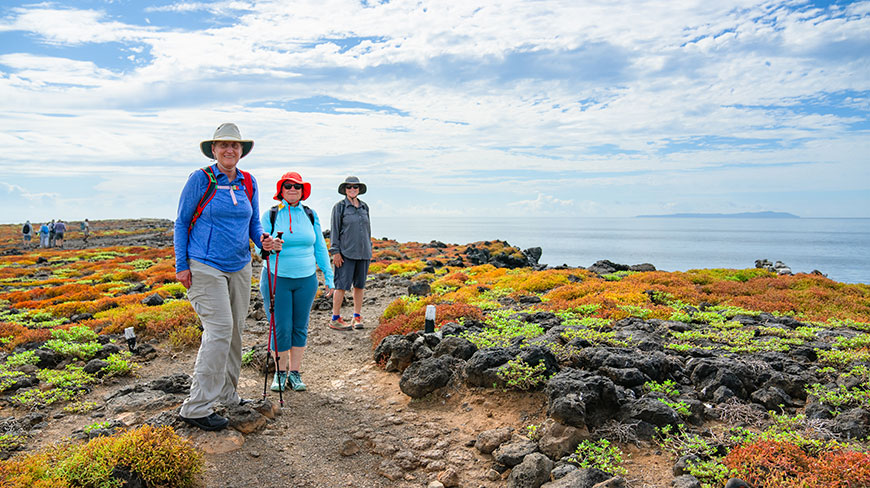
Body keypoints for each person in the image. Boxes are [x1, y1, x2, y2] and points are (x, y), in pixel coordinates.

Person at [174, 123, 280, 432]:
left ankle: (228, 395)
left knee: (235, 332)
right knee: (219, 329)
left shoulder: (248, 182)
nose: (229, 150)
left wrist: (265, 241)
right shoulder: (200, 179)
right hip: (204, 264)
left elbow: (253, 226)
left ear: (242, 151)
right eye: (223, 145)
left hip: (240, 265)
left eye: (234, 146)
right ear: (214, 150)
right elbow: (181, 223)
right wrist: (182, 265)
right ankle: (196, 407)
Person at [258, 172, 333, 392]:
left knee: (300, 327)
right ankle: (280, 373)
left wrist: (328, 276)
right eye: (288, 186)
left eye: (297, 187)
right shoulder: (270, 214)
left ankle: (295, 373)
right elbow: (258, 246)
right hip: (276, 278)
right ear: (281, 190)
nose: (293, 190)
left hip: (307, 280)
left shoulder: (310, 214)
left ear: (302, 191)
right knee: (280, 327)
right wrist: (269, 246)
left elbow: (319, 246)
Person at [329, 176, 372, 330]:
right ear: (345, 190)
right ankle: (335, 318)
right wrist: (335, 252)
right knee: (341, 286)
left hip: (364, 253)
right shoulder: (339, 207)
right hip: (345, 253)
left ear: (359, 189)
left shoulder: (364, 207)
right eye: (349, 187)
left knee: (359, 286)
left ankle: (357, 316)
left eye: (355, 187)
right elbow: (334, 230)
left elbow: (368, 230)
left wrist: (369, 249)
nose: (352, 189)